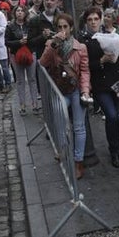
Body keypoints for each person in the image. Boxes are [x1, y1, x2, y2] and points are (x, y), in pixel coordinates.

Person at [39, 12, 91, 179]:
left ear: (71, 28)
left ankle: (78, 162)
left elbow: (84, 71)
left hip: (75, 89)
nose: (62, 30)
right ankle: (63, 150)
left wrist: (85, 90)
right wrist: (53, 45)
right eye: (59, 27)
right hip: (59, 90)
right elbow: (42, 63)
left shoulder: (80, 47)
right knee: (60, 123)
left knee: (78, 126)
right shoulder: (51, 44)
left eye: (65, 27)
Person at [81, 5, 119, 167]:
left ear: (100, 20)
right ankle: (114, 150)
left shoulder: (110, 35)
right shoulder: (84, 40)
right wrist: (101, 61)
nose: (93, 22)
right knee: (112, 115)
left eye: (96, 19)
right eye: (90, 19)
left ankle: (117, 146)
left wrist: (116, 55)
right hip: (100, 84)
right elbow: (85, 66)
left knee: (117, 116)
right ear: (86, 22)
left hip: (116, 81)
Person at [6, 4, 38, 114]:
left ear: (25, 13)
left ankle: (35, 104)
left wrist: (28, 42)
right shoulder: (10, 27)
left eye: (22, 11)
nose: (19, 12)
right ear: (15, 13)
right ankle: (22, 105)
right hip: (16, 55)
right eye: (18, 11)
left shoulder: (29, 25)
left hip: (30, 53)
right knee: (20, 81)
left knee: (32, 79)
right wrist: (18, 42)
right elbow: (7, 42)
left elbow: (35, 38)